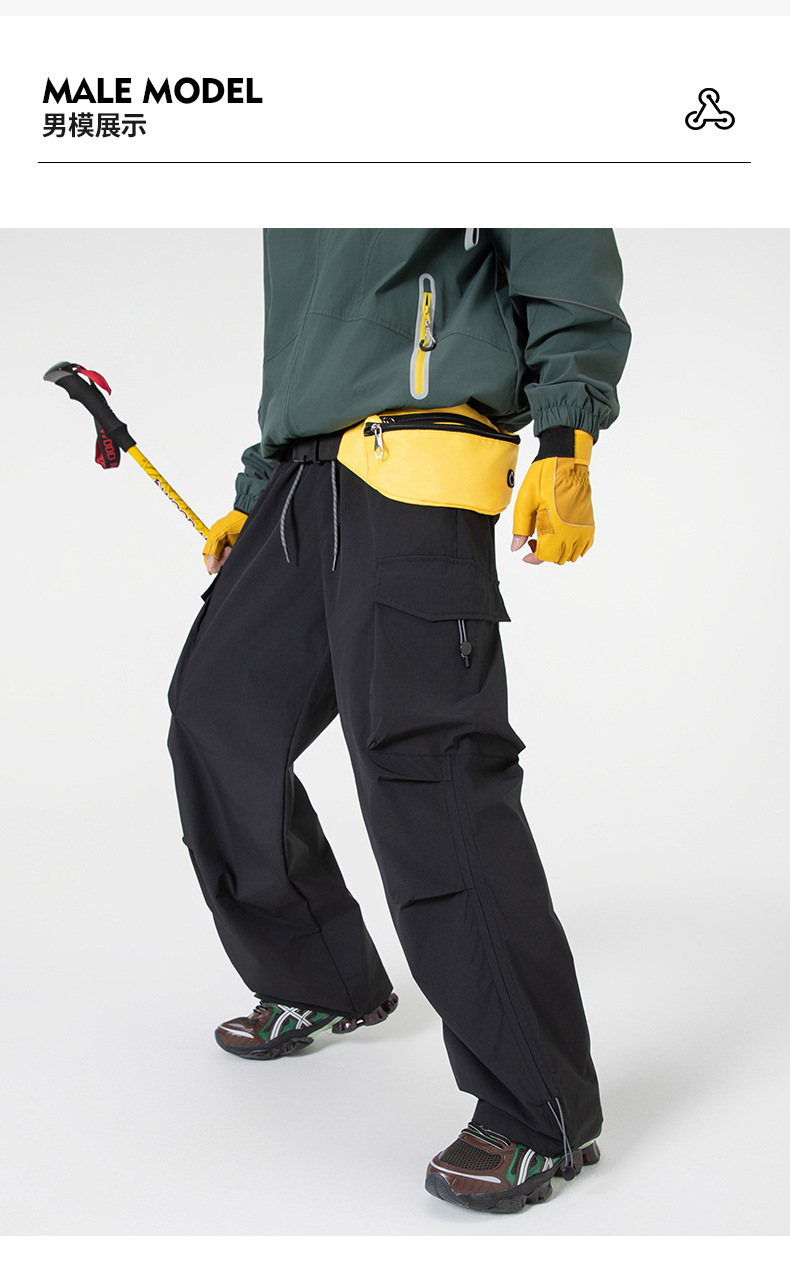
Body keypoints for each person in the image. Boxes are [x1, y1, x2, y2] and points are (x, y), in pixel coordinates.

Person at [167, 228, 631, 1214]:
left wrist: (567, 432)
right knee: (218, 711)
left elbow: (559, 240)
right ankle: (324, 978)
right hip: (303, 476)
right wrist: (258, 489)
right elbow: (305, 339)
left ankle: (539, 1108)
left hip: (418, 458)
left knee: (429, 772)